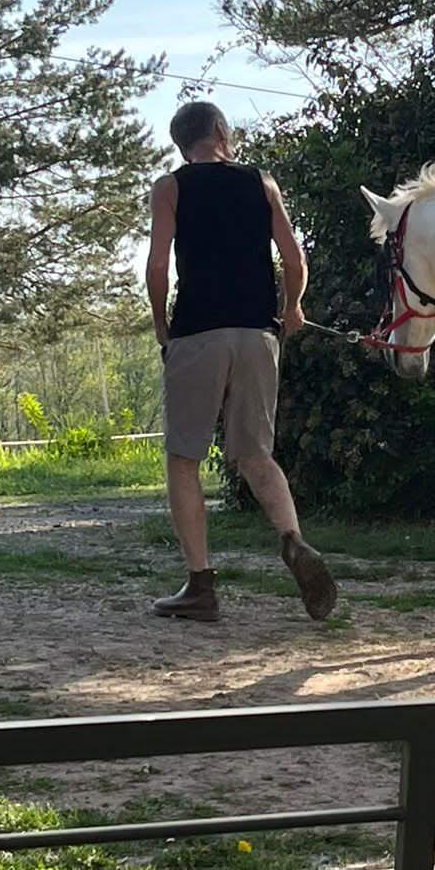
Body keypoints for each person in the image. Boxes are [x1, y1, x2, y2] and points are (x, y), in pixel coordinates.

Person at [145, 99, 337, 624]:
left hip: (198, 334)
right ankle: (293, 540)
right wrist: (292, 307)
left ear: (181, 144)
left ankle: (200, 585)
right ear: (221, 133)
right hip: (257, 333)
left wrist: (163, 325)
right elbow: (294, 257)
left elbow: (159, 263)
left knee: (184, 457)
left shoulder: (172, 187)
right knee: (256, 454)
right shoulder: (262, 182)